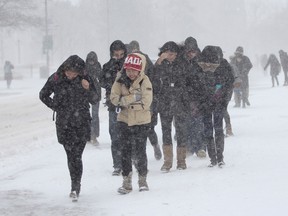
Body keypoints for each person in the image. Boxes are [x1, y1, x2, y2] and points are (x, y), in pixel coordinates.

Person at [39, 55, 101, 202]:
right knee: (70, 155)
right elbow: (43, 94)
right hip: (64, 124)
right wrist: (56, 106)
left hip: (82, 123)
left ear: (80, 71)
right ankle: (75, 183)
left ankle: (75, 185)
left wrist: (88, 88)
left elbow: (95, 99)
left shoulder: (86, 79)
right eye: (69, 71)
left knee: (76, 155)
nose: (71, 75)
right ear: (64, 68)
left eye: (74, 72)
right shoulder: (56, 78)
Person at [110, 53, 153, 194]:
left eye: (134, 70)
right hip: (124, 121)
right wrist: (133, 97)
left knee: (141, 151)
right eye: (128, 70)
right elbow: (114, 98)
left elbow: (146, 103)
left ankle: (143, 180)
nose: (131, 73)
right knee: (125, 152)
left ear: (140, 70)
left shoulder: (145, 81)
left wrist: (125, 102)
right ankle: (126, 182)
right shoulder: (119, 80)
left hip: (141, 122)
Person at [154, 41, 189, 171]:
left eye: (173, 54)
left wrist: (184, 96)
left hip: (180, 101)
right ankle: (167, 161)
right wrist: (159, 61)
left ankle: (181, 161)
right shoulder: (159, 64)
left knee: (181, 131)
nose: (171, 56)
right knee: (165, 131)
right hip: (165, 102)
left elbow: (188, 81)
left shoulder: (183, 64)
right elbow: (153, 77)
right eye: (168, 54)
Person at [197, 46, 234, 168]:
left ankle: (220, 157)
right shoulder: (198, 68)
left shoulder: (224, 66)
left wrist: (224, 100)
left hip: (219, 104)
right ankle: (213, 158)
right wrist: (199, 102)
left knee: (218, 129)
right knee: (208, 131)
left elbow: (229, 84)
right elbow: (194, 86)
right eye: (205, 63)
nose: (208, 66)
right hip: (205, 104)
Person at [128, 40, 162, 160]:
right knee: (134, 129)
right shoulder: (128, 63)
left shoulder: (145, 61)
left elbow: (154, 80)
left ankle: (154, 146)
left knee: (147, 128)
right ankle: (137, 155)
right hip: (133, 99)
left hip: (147, 98)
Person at [99, 40, 127, 176]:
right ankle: (117, 164)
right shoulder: (107, 66)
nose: (119, 57)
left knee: (129, 135)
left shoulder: (128, 65)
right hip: (113, 105)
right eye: (116, 54)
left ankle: (129, 161)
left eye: (121, 54)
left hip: (128, 104)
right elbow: (102, 81)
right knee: (115, 135)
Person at [180, 36, 206, 157]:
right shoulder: (181, 61)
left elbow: (205, 77)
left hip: (199, 96)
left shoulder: (202, 60)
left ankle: (201, 147)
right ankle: (190, 146)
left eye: (193, 51)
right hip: (185, 97)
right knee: (188, 123)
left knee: (199, 123)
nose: (191, 54)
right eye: (189, 51)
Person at [85, 51, 102, 145]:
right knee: (91, 115)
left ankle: (93, 134)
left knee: (94, 116)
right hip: (90, 93)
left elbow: (101, 77)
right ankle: (91, 134)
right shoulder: (85, 67)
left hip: (94, 93)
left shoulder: (95, 67)